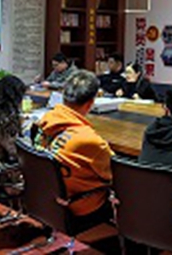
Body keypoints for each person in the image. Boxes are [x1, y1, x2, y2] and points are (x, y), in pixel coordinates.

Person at [34, 70, 113, 228]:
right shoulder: (90, 141)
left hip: (45, 199)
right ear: (90, 103)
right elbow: (116, 175)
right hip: (79, 206)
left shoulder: (45, 121)